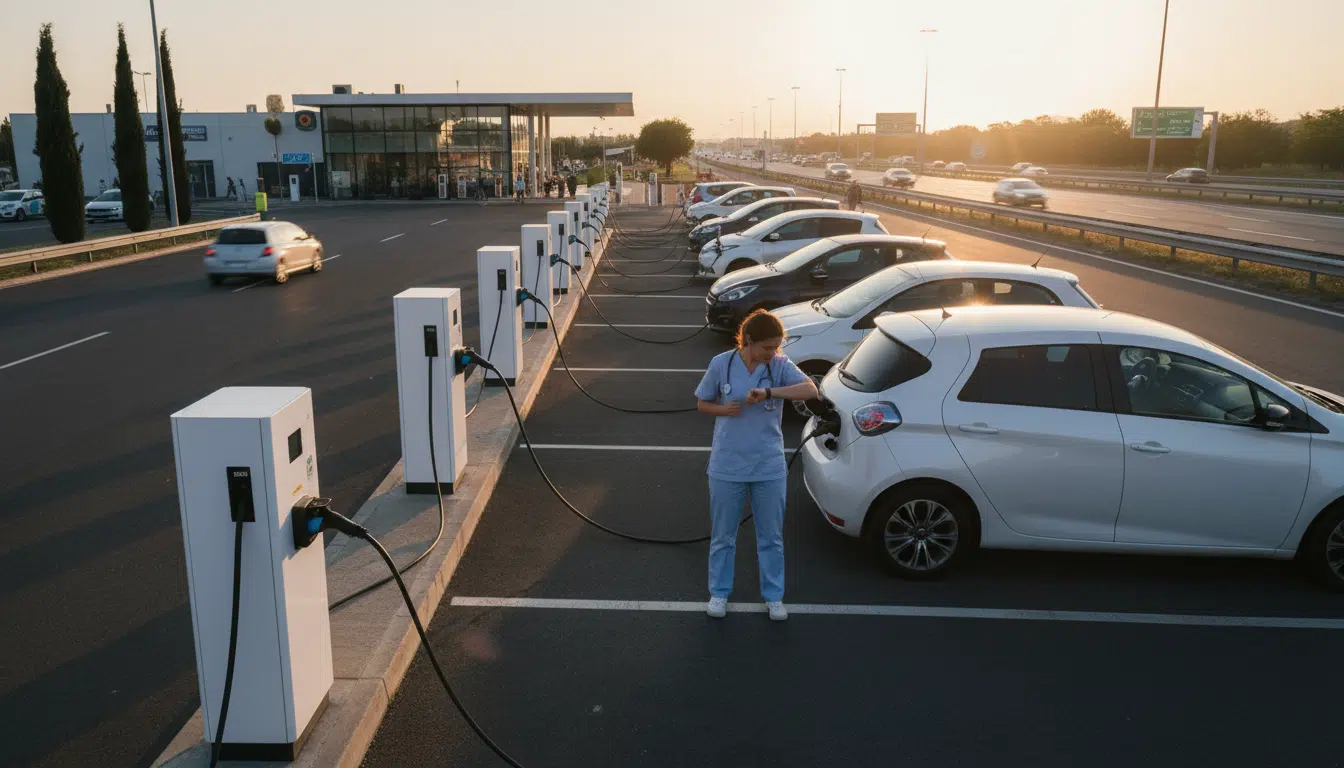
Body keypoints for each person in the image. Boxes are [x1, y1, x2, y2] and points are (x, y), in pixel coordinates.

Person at [694, 310, 818, 622]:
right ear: (748, 339)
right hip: (727, 465)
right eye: (767, 347)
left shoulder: (778, 366)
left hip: (768, 466)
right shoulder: (722, 364)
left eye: (776, 346)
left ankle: (774, 597)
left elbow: (810, 390)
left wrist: (769, 392)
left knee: (771, 537)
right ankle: (719, 593)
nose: (773, 352)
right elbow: (701, 403)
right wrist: (724, 409)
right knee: (723, 536)